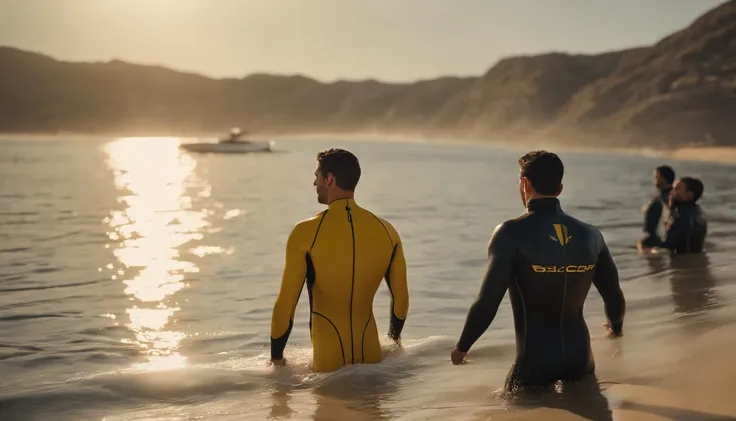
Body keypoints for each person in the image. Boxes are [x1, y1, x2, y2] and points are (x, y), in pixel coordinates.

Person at [450, 150, 626, 393]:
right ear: (560, 188)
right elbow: (613, 293)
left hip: (534, 362)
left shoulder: (510, 233)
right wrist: (615, 327)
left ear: (525, 183)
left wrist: (463, 346)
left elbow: (488, 301)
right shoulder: (591, 234)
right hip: (581, 358)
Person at [270, 148, 409, 372]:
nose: (314, 183)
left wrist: (276, 360)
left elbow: (285, 306)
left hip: (328, 365)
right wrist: (394, 344)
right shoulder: (387, 231)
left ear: (329, 178)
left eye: (317, 176)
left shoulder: (305, 232)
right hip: (373, 361)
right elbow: (401, 299)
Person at [638, 177, 707, 254]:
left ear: (689, 195)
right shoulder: (699, 214)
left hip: (682, 264)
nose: (671, 192)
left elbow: (667, 245)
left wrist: (647, 243)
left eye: (676, 189)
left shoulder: (680, 217)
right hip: (695, 262)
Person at [640, 165, 675, 248]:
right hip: (656, 237)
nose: (654, 181)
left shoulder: (668, 197)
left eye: (656, 177)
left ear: (662, 178)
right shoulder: (663, 195)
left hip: (657, 239)